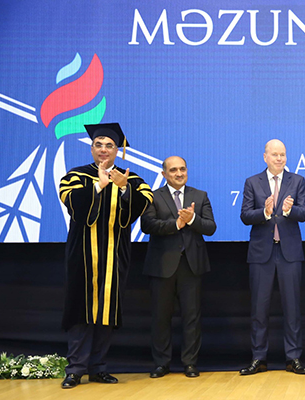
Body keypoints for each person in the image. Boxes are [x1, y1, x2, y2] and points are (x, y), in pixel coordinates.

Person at [58, 123, 153, 389]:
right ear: (91, 149)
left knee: (107, 311)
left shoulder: (132, 179)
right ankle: (75, 369)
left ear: (117, 151)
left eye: (109, 145)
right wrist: (98, 187)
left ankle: (98, 368)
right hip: (82, 254)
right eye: (98, 144)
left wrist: (123, 189)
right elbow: (71, 203)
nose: (103, 149)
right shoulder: (76, 175)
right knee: (81, 309)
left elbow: (144, 203)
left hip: (115, 254)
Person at [141, 156, 216, 379]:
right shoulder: (153, 196)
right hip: (162, 265)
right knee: (161, 317)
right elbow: (147, 225)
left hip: (191, 265)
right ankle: (161, 364)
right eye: (173, 170)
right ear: (164, 174)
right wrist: (176, 224)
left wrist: (192, 220)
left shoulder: (200, 196)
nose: (179, 173)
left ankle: (190, 363)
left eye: (182, 169)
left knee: (191, 317)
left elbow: (210, 227)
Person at [239, 139, 305, 375]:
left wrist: (289, 210)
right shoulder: (252, 182)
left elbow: (304, 213)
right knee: (259, 309)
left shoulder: (297, 181)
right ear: (265, 157)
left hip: (290, 253)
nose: (280, 158)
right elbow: (245, 216)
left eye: (283, 154)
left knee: (293, 308)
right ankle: (259, 358)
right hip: (262, 254)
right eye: (275, 154)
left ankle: (294, 358)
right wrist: (265, 212)